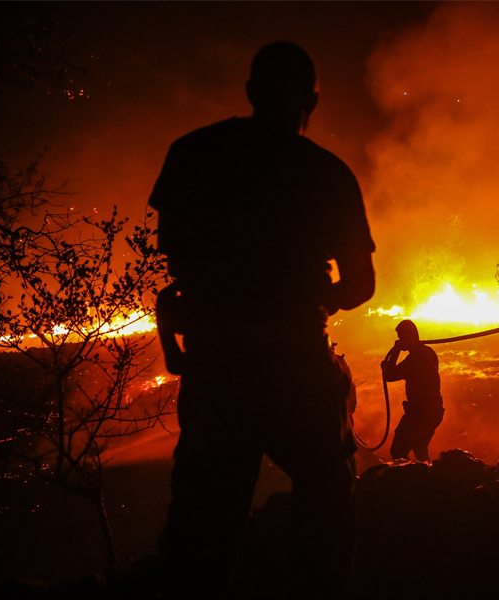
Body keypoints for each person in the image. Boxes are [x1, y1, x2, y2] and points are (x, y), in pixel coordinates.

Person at [148, 42, 376, 599]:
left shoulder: (193, 154)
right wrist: (323, 296)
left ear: (250, 93)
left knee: (201, 526)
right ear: (313, 101)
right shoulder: (327, 173)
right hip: (295, 365)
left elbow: (174, 258)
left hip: (216, 367)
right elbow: (361, 284)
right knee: (327, 497)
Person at [381, 320, 444, 462]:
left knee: (398, 450)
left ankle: (410, 479)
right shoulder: (428, 352)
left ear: (407, 336)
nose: (398, 340)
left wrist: (396, 351)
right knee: (420, 447)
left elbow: (389, 376)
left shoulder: (415, 358)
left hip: (420, 413)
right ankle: (428, 477)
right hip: (433, 410)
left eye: (400, 337)